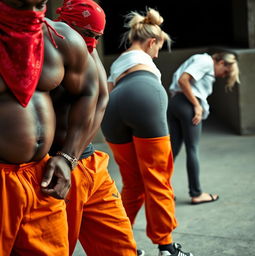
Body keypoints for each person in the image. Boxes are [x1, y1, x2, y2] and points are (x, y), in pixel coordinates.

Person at [0, 0, 98, 255]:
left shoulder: (60, 39)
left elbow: (90, 91)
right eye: (20, 4)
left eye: (39, 4)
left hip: (42, 176)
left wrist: (68, 157)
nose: (31, 14)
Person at [101, 7, 193, 256]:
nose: (157, 53)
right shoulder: (146, 63)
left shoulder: (120, 60)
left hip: (112, 107)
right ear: (152, 41)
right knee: (157, 177)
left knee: (132, 183)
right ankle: (167, 247)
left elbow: (109, 91)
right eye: (158, 48)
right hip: (144, 95)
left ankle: (120, 245)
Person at [53, 0, 138, 255]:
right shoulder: (47, 50)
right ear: (66, 24)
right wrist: (64, 159)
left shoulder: (87, 50)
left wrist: (72, 156)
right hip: (54, 167)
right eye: (87, 34)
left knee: (121, 247)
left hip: (86, 162)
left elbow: (101, 98)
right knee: (56, 248)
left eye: (97, 36)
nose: (91, 41)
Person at [167, 52, 240, 205]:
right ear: (220, 62)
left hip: (175, 103)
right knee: (192, 149)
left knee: (172, 150)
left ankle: (163, 191)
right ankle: (196, 193)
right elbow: (183, 80)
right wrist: (196, 105)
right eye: (225, 72)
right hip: (187, 105)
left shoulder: (200, 60)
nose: (222, 76)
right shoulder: (206, 61)